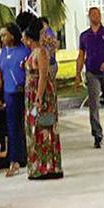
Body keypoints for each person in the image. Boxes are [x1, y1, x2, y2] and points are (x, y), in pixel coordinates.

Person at [20, 16, 62, 180]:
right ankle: (38, 166)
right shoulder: (33, 53)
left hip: (41, 94)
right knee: (34, 129)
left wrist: (39, 96)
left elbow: (43, 76)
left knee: (44, 127)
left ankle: (47, 166)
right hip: (32, 94)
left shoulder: (41, 52)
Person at [75, 5, 104, 148]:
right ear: (89, 16)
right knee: (94, 103)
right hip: (92, 72)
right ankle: (97, 134)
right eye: (93, 14)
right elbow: (81, 55)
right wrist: (77, 74)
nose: (96, 16)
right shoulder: (84, 36)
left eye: (98, 14)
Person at [0, 23, 29, 177]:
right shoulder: (1, 54)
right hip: (10, 93)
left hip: (25, 92)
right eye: (0, 36)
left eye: (4, 35)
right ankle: (14, 160)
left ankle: (29, 155)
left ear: (12, 36)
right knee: (13, 127)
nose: (2, 38)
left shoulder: (25, 51)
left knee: (27, 125)